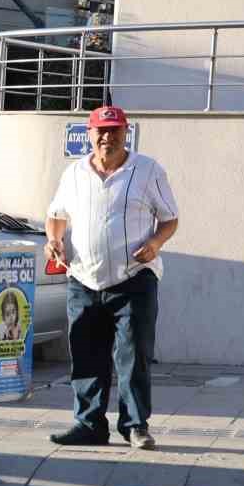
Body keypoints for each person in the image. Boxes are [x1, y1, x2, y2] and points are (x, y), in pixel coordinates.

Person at [44, 105, 178, 450]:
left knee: (133, 356)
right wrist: (54, 240)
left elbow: (169, 218)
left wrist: (155, 243)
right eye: (101, 131)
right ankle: (89, 424)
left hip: (133, 278)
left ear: (125, 132)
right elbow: (56, 215)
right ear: (90, 134)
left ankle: (135, 426)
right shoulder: (73, 173)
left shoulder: (147, 171)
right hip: (84, 279)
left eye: (115, 130)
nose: (108, 137)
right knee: (86, 353)